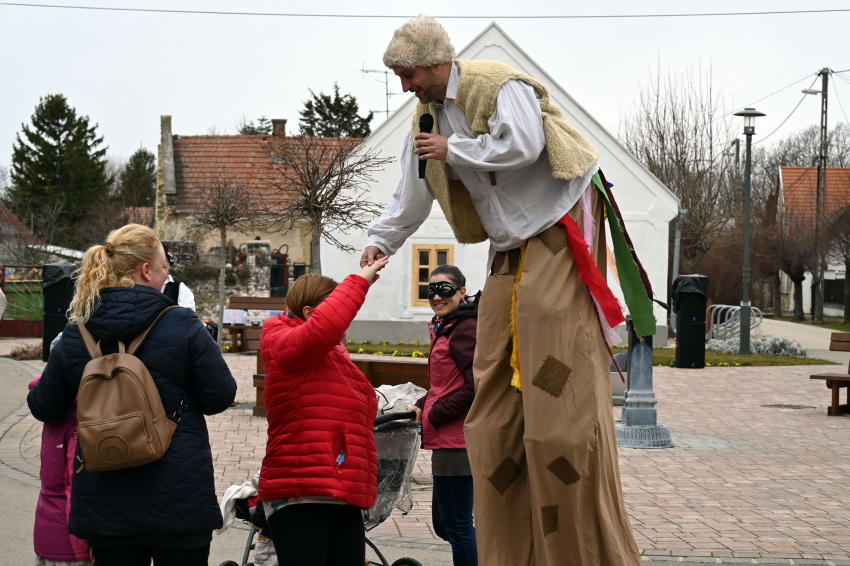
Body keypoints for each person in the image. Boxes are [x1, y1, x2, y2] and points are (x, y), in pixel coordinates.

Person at [362, 15, 658, 566]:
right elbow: (412, 194)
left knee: (555, 409)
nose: (404, 87)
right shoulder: (424, 118)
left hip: (557, 226)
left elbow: (521, 146)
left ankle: (578, 550)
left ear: (433, 62)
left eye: (407, 74)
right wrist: (381, 243)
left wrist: (454, 149)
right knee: (493, 416)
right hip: (508, 247)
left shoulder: (499, 84)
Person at [28, 223, 237, 566]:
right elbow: (220, 396)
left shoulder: (76, 332)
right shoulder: (184, 325)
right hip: (179, 501)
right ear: (146, 270)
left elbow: (44, 407)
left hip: (105, 504)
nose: (166, 278)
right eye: (164, 269)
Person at [258, 258, 388, 566]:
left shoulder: (328, 353)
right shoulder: (280, 339)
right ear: (310, 314)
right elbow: (322, 329)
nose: (344, 323)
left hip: (340, 492)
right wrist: (359, 282)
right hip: (301, 495)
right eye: (334, 311)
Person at [411, 265, 478, 566]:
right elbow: (445, 384)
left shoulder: (464, 329)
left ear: (462, 292)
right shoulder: (448, 325)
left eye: (445, 289)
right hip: (445, 439)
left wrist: (436, 414)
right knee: (445, 524)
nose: (437, 296)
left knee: (458, 526)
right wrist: (423, 404)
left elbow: (476, 386)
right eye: (432, 290)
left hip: (457, 441)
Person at [29, 373, 91, 566]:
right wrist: (87, 541)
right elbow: (77, 486)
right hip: (70, 540)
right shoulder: (77, 419)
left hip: (48, 527)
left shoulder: (53, 412)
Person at [161, 243, 196, 312]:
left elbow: (187, 317)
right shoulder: (137, 285)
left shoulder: (180, 289)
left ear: (169, 264)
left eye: (164, 260)